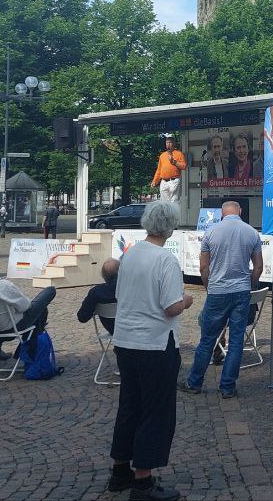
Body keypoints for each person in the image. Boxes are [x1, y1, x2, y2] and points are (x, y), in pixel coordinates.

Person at [107, 201, 193, 500]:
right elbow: (171, 307)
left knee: (129, 404)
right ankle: (143, 481)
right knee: (155, 410)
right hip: (155, 343)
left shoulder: (129, 255)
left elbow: (120, 295)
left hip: (126, 340)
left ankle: (120, 470)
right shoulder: (165, 260)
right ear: (170, 227)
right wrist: (187, 301)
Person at [181, 200, 263, 398]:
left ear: (221, 214)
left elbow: (203, 267)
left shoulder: (211, 232)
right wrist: (249, 287)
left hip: (218, 291)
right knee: (236, 342)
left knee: (207, 339)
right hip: (241, 292)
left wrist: (210, 287)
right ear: (240, 211)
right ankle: (227, 386)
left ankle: (194, 383)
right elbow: (258, 267)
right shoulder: (251, 232)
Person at [78, 258, 120, 333]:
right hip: (133, 330)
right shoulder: (130, 290)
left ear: (103, 275)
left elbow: (82, 317)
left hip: (112, 330)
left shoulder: (95, 292)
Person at [151, 136, 187, 203]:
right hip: (163, 181)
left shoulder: (179, 154)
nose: (168, 144)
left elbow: (183, 166)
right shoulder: (162, 155)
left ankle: (173, 213)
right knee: (164, 203)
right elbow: (159, 170)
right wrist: (155, 180)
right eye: (167, 142)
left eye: (170, 142)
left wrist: (174, 162)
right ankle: (166, 213)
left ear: (174, 143)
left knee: (173, 201)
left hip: (174, 180)